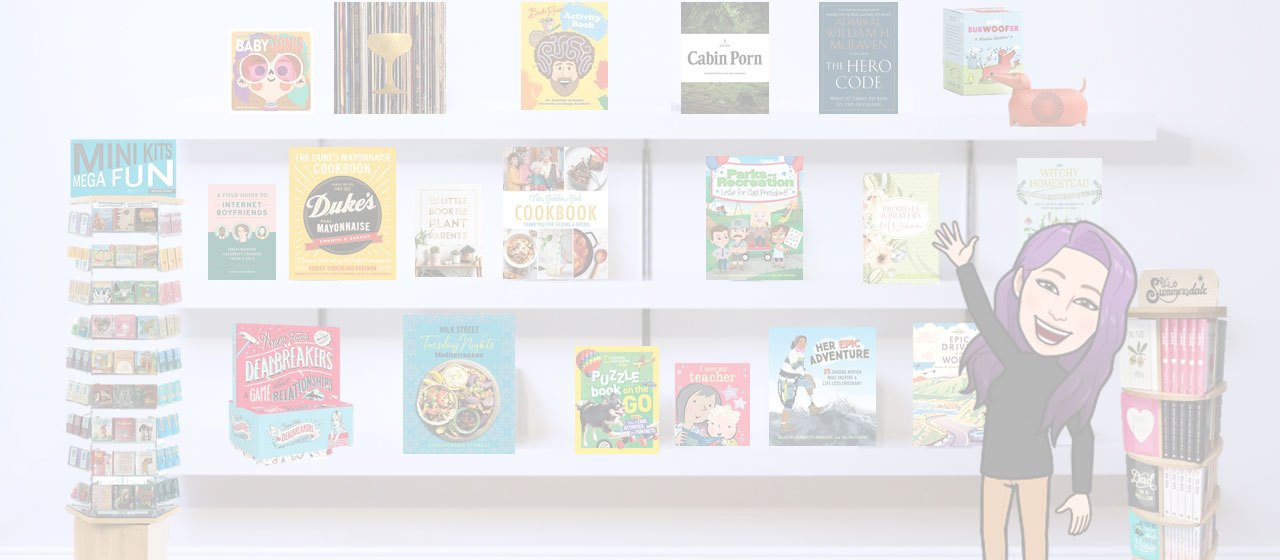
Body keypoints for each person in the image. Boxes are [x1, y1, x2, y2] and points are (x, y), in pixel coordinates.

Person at [932, 221, 1135, 560]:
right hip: (995, 466)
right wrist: (964, 267)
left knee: (1034, 541)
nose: (1059, 312)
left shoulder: (1068, 382)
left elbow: (1082, 434)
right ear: (1020, 281)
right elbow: (984, 317)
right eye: (1048, 285)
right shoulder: (1009, 357)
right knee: (993, 537)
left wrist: (1082, 491)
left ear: (1104, 321)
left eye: (1086, 303)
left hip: (1034, 471)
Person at [777, 335, 819, 433]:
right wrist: (806, 374)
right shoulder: (793, 353)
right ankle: (784, 425)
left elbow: (801, 368)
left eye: (804, 342)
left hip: (795, 377)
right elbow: (795, 366)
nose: (803, 343)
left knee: (808, 383)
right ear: (796, 342)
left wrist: (809, 377)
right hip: (786, 380)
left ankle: (812, 407)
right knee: (789, 401)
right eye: (801, 341)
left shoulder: (801, 352)